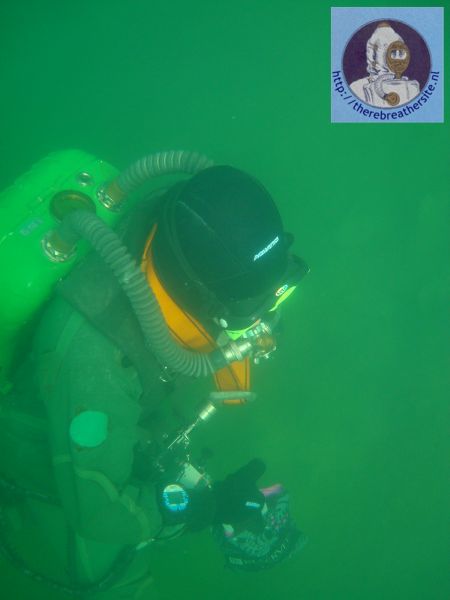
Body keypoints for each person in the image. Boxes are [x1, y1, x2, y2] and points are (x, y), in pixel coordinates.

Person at [0, 161, 308, 598]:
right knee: (116, 579)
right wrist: (189, 511)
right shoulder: (98, 362)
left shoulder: (174, 230)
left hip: (102, 403)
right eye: (249, 308)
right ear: (200, 291)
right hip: (35, 440)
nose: (265, 322)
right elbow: (97, 512)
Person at [350, 21, 420, 108]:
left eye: (401, 53)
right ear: (373, 54)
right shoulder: (357, 88)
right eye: (393, 53)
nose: (397, 59)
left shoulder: (412, 87)